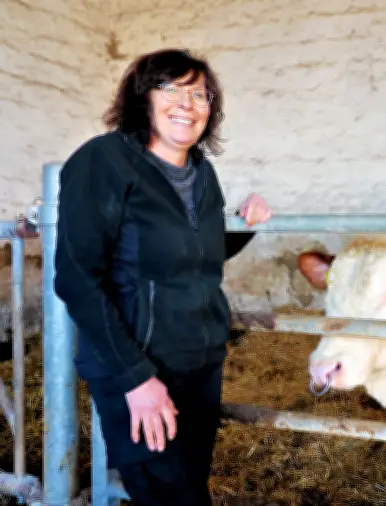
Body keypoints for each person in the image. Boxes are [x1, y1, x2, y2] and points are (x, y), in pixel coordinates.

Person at [52, 48, 272, 505]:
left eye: (200, 94)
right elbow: (77, 279)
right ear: (142, 98)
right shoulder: (103, 163)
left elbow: (195, 255)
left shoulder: (201, 173)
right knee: (171, 496)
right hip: (139, 364)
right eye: (170, 89)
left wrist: (245, 223)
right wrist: (136, 379)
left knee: (190, 483)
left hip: (200, 359)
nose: (187, 104)